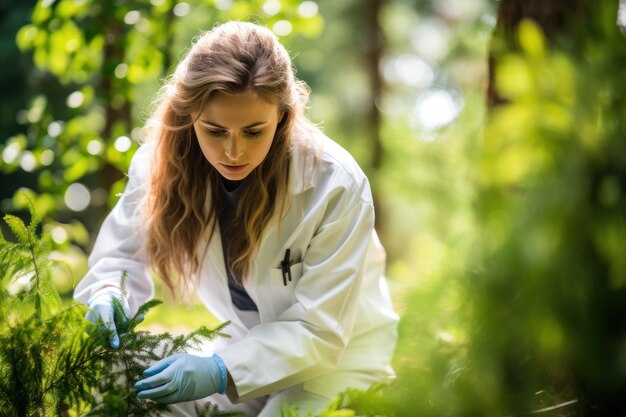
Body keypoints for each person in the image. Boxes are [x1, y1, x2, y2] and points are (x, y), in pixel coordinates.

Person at [74, 21, 398, 417]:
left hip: (336, 366)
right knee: (120, 380)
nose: (232, 151)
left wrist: (220, 370)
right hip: (240, 351)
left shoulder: (334, 184)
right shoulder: (161, 165)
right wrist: (109, 293)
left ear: (282, 117)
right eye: (215, 130)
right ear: (189, 116)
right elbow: (120, 259)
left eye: (253, 131)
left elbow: (321, 331)